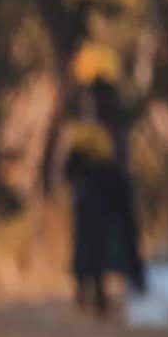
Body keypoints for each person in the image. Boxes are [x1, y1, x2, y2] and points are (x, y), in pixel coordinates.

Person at [62, 46, 146, 316]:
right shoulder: (91, 112)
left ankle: (108, 291)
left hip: (101, 185)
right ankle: (97, 294)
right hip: (98, 185)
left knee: (97, 241)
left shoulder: (94, 108)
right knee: (94, 242)